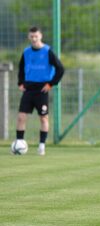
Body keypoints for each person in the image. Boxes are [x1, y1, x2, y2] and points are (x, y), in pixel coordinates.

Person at [15, 26, 65, 155]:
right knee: (21, 117)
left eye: (36, 36)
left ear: (40, 36)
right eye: (31, 36)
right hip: (28, 89)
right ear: (29, 37)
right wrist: (20, 82)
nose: (34, 39)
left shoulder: (48, 51)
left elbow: (60, 69)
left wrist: (51, 84)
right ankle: (19, 144)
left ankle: (42, 145)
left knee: (43, 118)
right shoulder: (26, 52)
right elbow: (21, 68)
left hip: (42, 89)